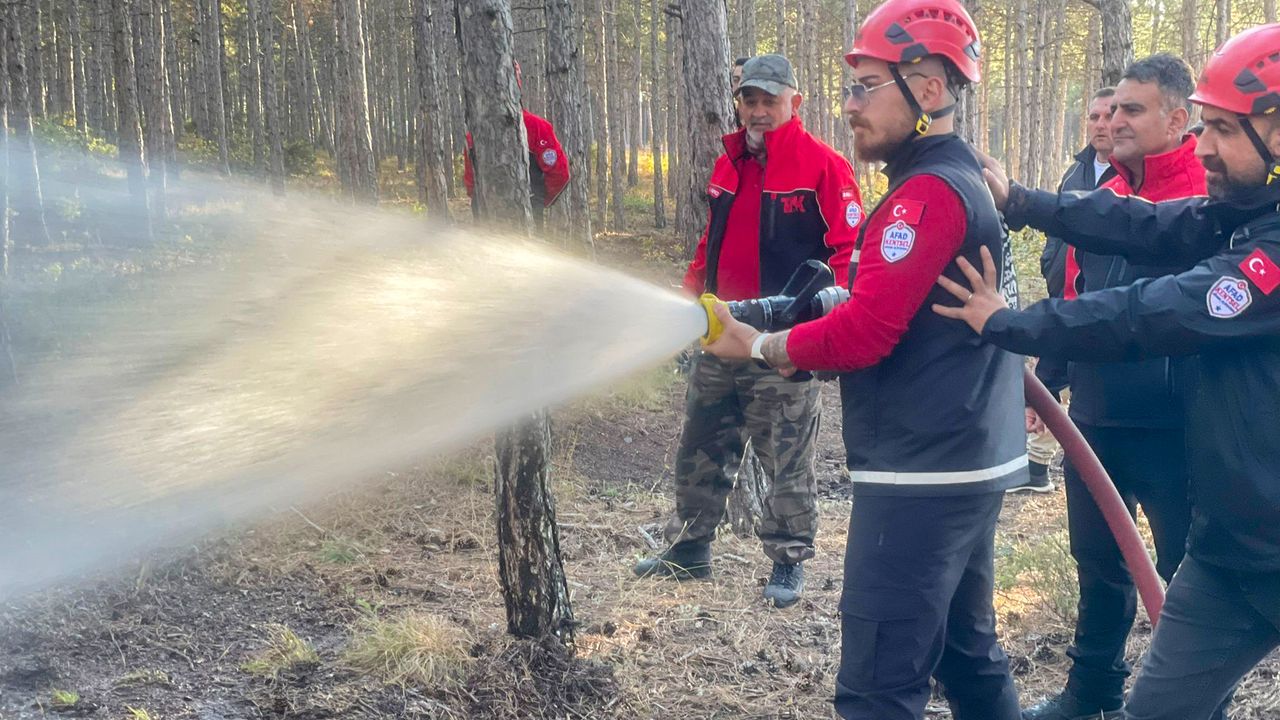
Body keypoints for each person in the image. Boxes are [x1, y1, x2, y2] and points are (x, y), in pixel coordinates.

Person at [935, 23, 1280, 720]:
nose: (1204, 146)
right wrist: (1025, 203)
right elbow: (1146, 227)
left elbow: (1154, 312)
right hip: (1231, 562)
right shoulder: (1242, 213)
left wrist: (1010, 323)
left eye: (1223, 129)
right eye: (1203, 127)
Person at [704, 2, 1027, 717]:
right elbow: (901, 311)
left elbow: (867, 337)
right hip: (966, 457)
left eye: (867, 86)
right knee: (968, 655)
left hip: (922, 472)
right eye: (850, 86)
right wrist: (821, 311)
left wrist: (756, 344)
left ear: (929, 90)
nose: (849, 106)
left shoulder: (925, 197)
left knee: (879, 682)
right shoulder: (955, 179)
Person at [633, 54, 862, 610]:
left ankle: (788, 561)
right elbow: (709, 242)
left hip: (783, 343)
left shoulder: (823, 167)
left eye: (770, 100)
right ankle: (689, 548)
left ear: (795, 103)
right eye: (749, 100)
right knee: (702, 441)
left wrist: (815, 321)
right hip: (719, 330)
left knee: (785, 454)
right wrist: (689, 303)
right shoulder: (728, 163)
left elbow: (850, 254)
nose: (758, 111)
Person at [1019, 54, 1208, 720]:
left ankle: (1196, 704)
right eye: (1112, 108)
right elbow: (1079, 294)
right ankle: (1093, 689)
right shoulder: (1101, 195)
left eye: (1133, 109)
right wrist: (1050, 374)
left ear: (1178, 118)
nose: (1114, 121)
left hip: (1176, 425)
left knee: (1188, 577)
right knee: (1097, 562)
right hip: (1096, 415)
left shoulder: (1205, 199)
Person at [1013, 86, 1118, 495]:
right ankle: (1037, 466)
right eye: (1094, 117)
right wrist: (1050, 262)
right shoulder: (1076, 171)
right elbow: (1058, 224)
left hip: (1105, 304)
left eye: (1109, 116)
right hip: (1065, 294)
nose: (1101, 124)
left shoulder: (1128, 174)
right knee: (1050, 375)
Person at [463, 62, 569, 230]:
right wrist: (538, 200)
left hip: (492, 213)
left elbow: (470, 182)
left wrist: (537, 200)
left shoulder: (475, 134)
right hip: (519, 213)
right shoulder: (538, 127)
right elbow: (559, 173)